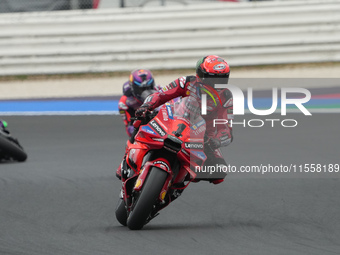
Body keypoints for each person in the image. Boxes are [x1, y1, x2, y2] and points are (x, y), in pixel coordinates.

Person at [133, 55, 233, 184]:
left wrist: (216, 140)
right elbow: (161, 95)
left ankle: (178, 181)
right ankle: (129, 161)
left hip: (204, 136)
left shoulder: (226, 96)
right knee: (139, 121)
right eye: (212, 78)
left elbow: (225, 126)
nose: (217, 83)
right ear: (200, 74)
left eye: (222, 78)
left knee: (219, 172)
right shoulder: (186, 82)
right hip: (175, 119)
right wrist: (147, 106)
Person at [118, 69, 160, 137]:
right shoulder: (125, 102)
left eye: (149, 88)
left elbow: (175, 103)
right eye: (141, 89)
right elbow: (129, 130)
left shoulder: (159, 89)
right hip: (143, 129)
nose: (146, 92)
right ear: (133, 88)